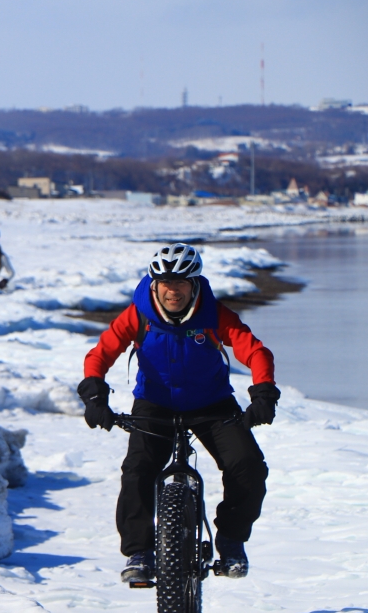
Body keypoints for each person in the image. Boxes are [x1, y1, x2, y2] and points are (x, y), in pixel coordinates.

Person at [78, 243, 279, 584]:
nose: (174, 290)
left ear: (195, 283)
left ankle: (230, 540)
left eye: (182, 282)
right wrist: (95, 393)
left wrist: (263, 392)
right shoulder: (138, 315)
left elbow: (254, 350)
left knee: (248, 466)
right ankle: (139, 552)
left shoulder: (214, 314)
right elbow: (101, 353)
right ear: (154, 284)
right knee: (138, 470)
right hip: (155, 403)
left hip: (212, 404)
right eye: (166, 282)